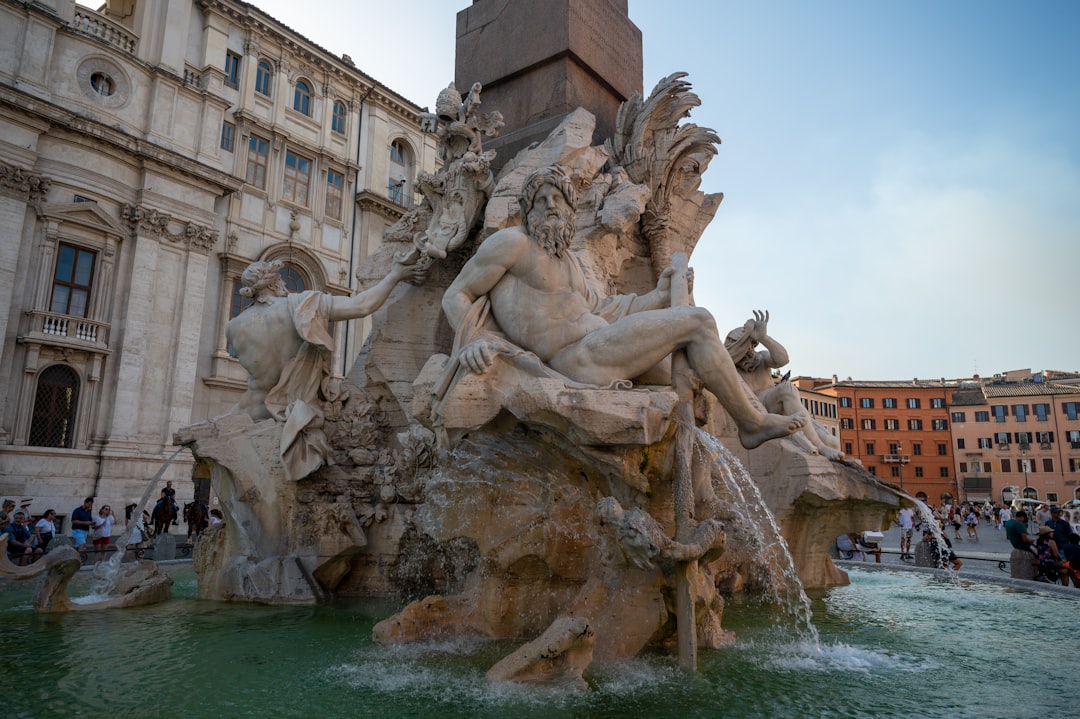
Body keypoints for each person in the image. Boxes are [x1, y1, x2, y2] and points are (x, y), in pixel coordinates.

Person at [441, 165, 805, 450]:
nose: (551, 206)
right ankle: (752, 425)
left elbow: (605, 309)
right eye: (541, 199)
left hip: (601, 345)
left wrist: (660, 295)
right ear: (528, 209)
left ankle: (752, 417)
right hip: (576, 360)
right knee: (698, 321)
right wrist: (471, 339)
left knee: (693, 373)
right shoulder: (512, 244)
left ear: (570, 208)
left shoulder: (568, 262)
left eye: (558, 199)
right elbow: (455, 294)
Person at [225, 254, 424, 481]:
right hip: (297, 415)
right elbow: (362, 305)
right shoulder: (301, 305)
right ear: (272, 283)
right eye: (280, 280)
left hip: (250, 414)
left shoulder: (233, 326)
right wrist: (396, 274)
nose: (284, 285)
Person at [724, 311, 844, 459]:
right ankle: (820, 448)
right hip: (760, 410)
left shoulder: (761, 358)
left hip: (782, 405)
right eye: (746, 346)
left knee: (833, 442)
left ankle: (825, 446)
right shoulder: (729, 368)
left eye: (751, 346)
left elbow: (782, 359)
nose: (750, 351)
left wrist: (764, 338)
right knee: (787, 388)